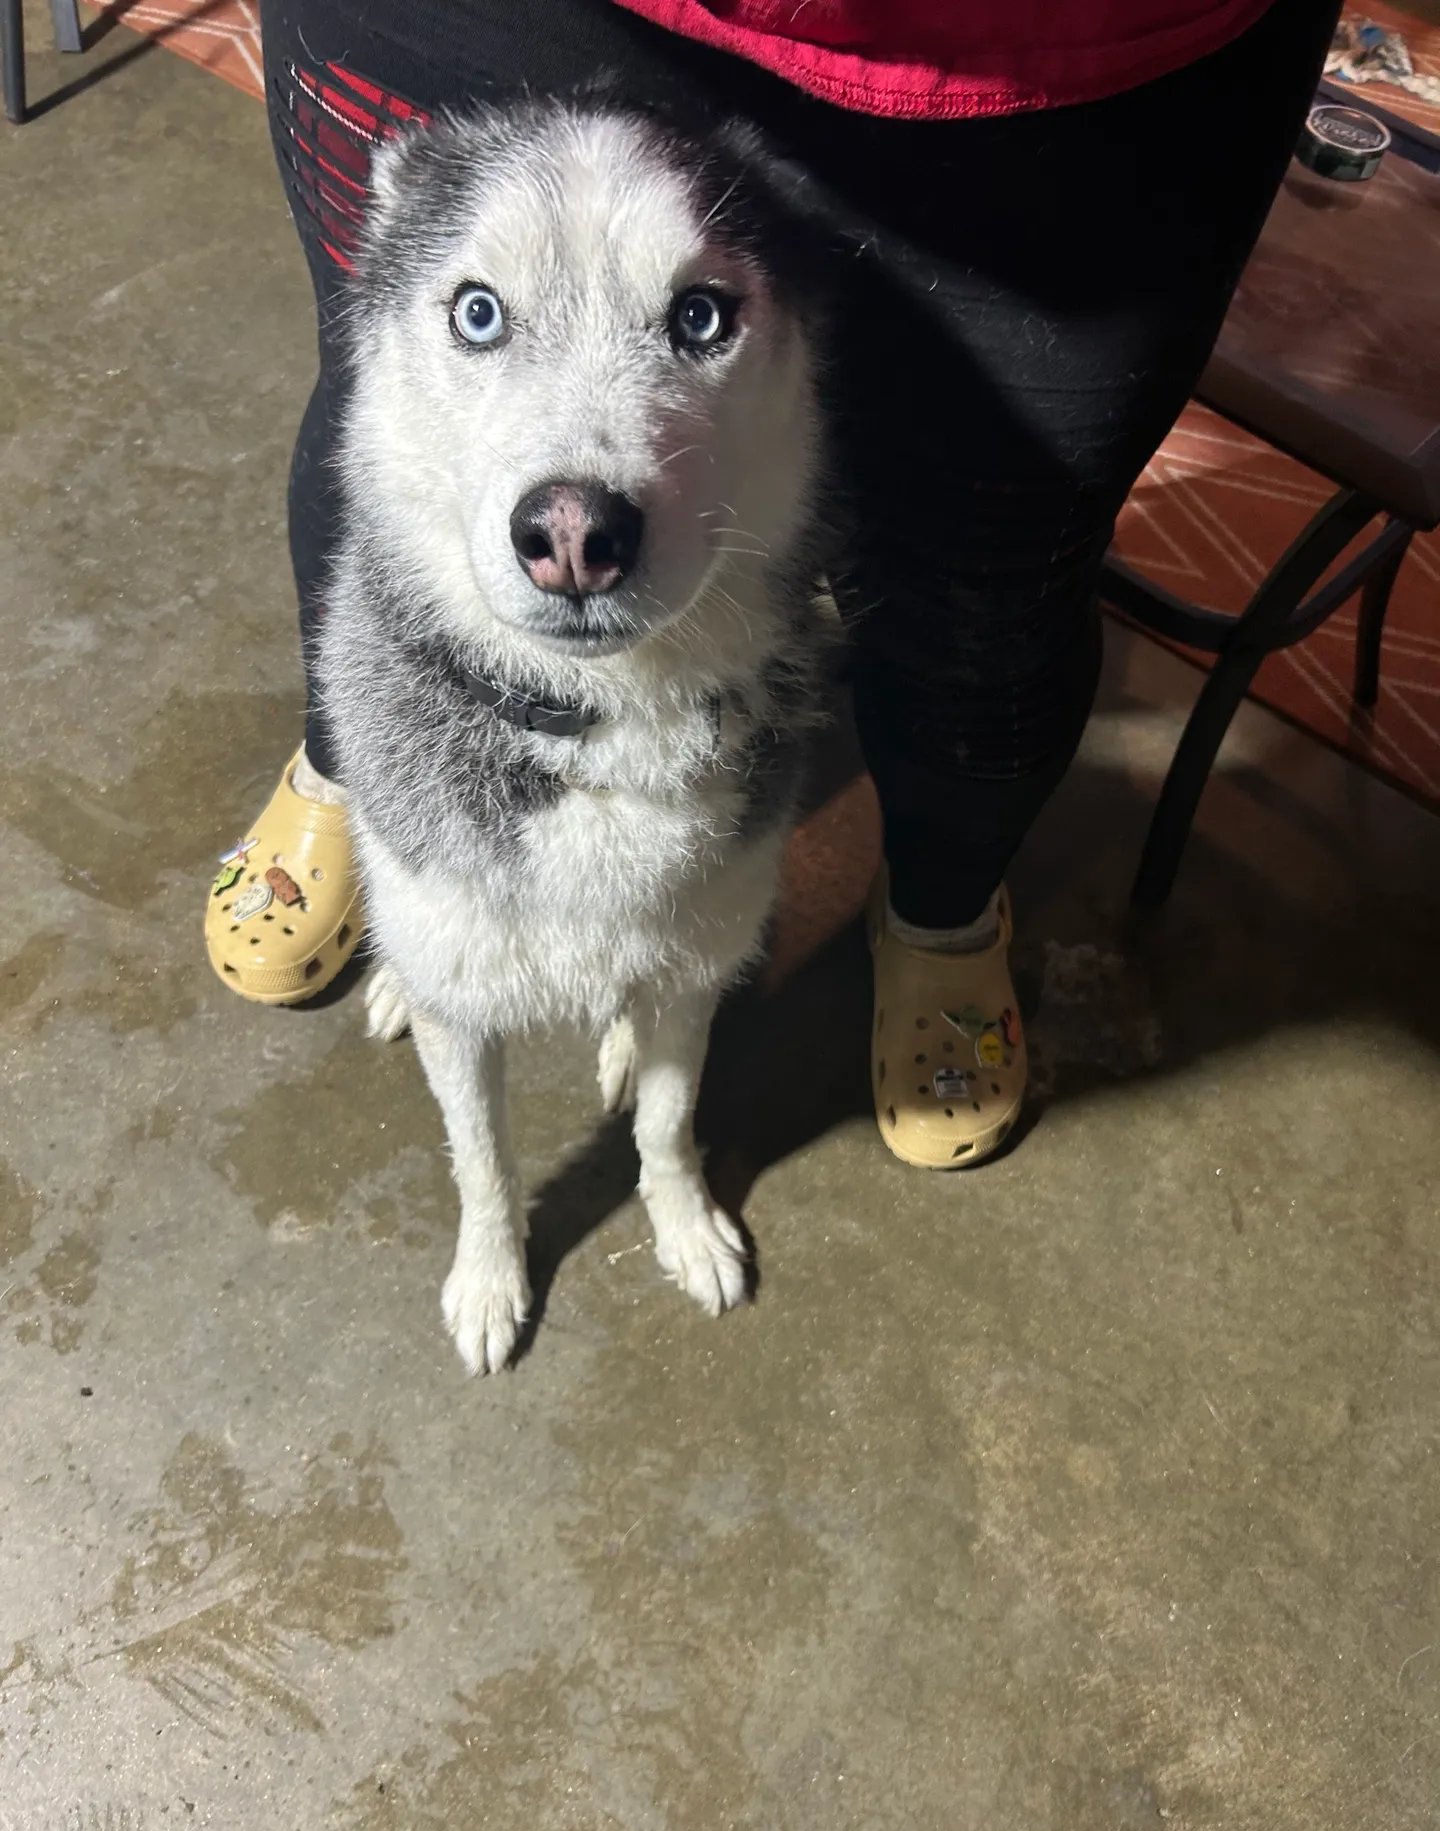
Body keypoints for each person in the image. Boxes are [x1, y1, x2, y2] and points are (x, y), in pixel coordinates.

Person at [208, 0, 1339, 1165]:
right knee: (396, 440)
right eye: (482, 315)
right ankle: (363, 788)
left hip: (1070, 46)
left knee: (999, 558)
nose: (574, 533)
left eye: (698, 315)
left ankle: (941, 908)